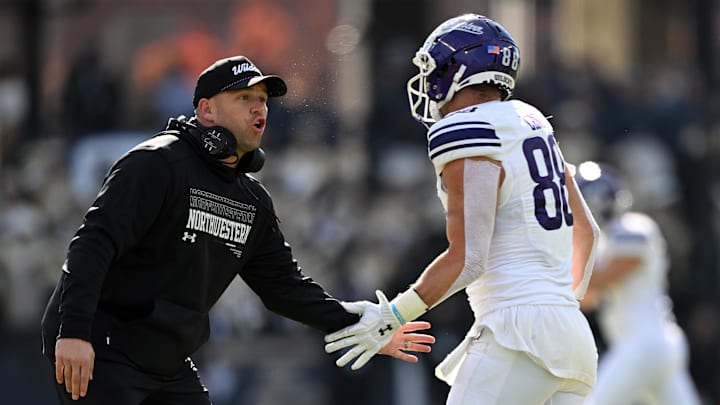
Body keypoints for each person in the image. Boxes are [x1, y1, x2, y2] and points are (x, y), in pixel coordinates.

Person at [40, 55, 435, 404]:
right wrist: (74, 332)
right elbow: (93, 244)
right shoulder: (156, 163)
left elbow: (285, 290)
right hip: (103, 345)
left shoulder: (252, 201)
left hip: (166, 360)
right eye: (243, 98)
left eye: (262, 99)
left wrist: (356, 320)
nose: (258, 108)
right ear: (207, 111)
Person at [324, 14, 601, 404]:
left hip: (517, 333)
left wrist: (394, 316)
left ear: (457, 70)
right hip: (573, 337)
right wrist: (558, 308)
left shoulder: (466, 129)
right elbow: (587, 233)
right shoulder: (532, 120)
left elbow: (470, 259)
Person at [575, 161, 701, 405]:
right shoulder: (605, 241)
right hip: (654, 345)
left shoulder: (632, 228)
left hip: (644, 344)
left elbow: (601, 277)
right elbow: (586, 299)